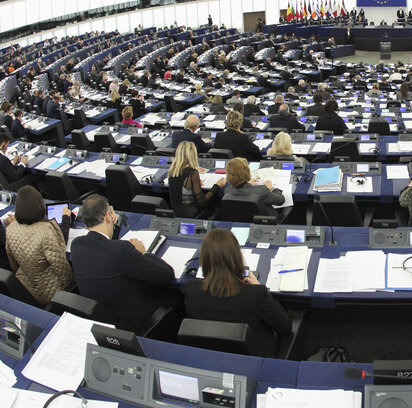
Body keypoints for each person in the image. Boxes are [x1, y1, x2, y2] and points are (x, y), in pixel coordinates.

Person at [71, 194, 176, 333]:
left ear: (85, 222)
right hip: (134, 321)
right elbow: (167, 274)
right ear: (108, 217)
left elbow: (104, 248)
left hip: (105, 319)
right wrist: (143, 252)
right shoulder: (121, 250)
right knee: (174, 295)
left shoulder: (76, 245)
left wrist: (113, 227)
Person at [184, 228, 291, 357]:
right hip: (255, 357)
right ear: (237, 257)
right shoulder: (256, 294)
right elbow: (285, 327)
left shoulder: (192, 291)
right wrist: (259, 287)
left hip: (213, 354)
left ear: (204, 260)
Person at [5, 186, 73, 305]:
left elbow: (13, 263)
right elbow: (62, 269)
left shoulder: (10, 228)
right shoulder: (45, 231)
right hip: (50, 292)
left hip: (24, 286)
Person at [167, 142, 226, 218]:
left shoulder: (172, 170)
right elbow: (202, 201)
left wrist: (195, 183)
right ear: (193, 155)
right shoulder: (192, 173)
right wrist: (217, 185)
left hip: (177, 213)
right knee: (217, 203)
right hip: (192, 213)